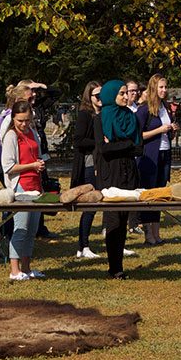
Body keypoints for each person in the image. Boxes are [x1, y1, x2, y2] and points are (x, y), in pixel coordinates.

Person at [95, 80, 141, 279]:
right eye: (121, 93)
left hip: (128, 172)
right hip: (110, 174)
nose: (125, 96)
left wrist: (118, 143)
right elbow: (103, 149)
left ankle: (118, 264)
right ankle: (115, 267)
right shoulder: (100, 119)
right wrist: (127, 144)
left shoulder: (131, 117)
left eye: (126, 93)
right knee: (113, 218)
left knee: (123, 219)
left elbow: (139, 148)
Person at [1, 101, 46, 280]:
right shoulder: (11, 136)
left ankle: (27, 268)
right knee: (21, 227)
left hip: (36, 186)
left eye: (27, 120)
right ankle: (14, 269)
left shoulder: (33, 133)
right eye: (20, 120)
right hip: (20, 187)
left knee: (32, 229)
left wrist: (39, 164)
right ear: (13, 118)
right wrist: (31, 166)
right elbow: (8, 166)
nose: (24, 124)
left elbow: (38, 154)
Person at [135, 74, 178, 246]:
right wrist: (159, 130)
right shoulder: (144, 109)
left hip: (164, 154)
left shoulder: (165, 107)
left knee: (160, 194)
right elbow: (138, 136)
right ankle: (148, 234)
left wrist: (171, 130)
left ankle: (156, 232)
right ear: (153, 88)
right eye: (161, 87)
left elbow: (166, 130)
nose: (164, 90)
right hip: (149, 157)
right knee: (149, 194)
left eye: (165, 87)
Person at [69, 81, 103, 260]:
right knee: (90, 205)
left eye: (102, 95)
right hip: (89, 163)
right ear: (89, 97)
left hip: (101, 163)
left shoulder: (102, 114)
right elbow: (78, 141)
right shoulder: (85, 115)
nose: (100, 99)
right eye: (97, 96)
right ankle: (83, 245)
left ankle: (84, 245)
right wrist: (99, 141)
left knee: (96, 205)